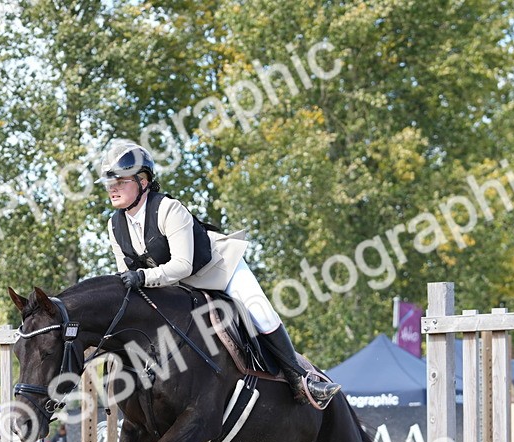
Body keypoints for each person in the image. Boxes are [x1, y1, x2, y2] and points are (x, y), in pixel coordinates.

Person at [98, 140, 341, 407]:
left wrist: (143, 277)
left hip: (219, 270)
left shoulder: (169, 209)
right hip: (177, 287)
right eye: (110, 183)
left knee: (259, 310)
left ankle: (301, 379)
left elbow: (182, 265)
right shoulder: (114, 224)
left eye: (121, 181)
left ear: (143, 182)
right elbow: (127, 275)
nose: (113, 188)